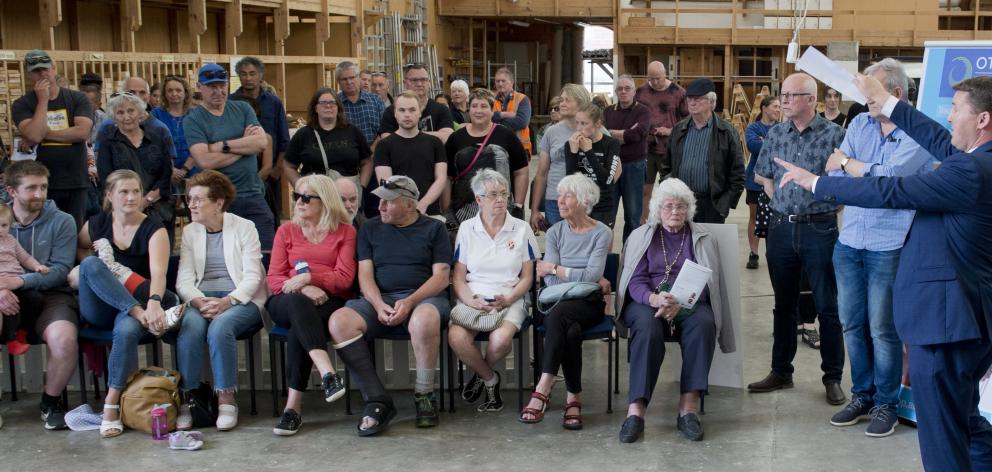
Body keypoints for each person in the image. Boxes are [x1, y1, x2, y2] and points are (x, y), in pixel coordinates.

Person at [777, 72, 992, 472]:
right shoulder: (979, 160)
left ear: (982, 120)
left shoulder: (971, 172)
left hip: (946, 325)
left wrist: (818, 183)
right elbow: (939, 140)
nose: (947, 116)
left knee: (943, 436)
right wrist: (888, 103)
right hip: (967, 322)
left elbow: (891, 192)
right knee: (962, 418)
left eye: (956, 109)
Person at [814, 58, 933, 439]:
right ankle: (862, 395)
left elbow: (890, 183)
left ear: (895, 93)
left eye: (872, 89)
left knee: (883, 330)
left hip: (889, 244)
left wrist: (849, 163)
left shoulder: (918, 134)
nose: (864, 96)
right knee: (852, 324)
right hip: (849, 241)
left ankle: (887, 402)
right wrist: (854, 168)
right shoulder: (860, 124)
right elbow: (833, 175)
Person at [748, 73, 847, 406]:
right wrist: (785, 206)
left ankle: (832, 377)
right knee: (783, 305)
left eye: (792, 95)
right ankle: (781, 371)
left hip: (820, 228)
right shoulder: (775, 134)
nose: (785, 99)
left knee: (827, 306)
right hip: (780, 229)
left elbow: (845, 185)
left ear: (810, 99)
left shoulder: (836, 135)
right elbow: (764, 178)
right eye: (783, 94)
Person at [614, 178, 736, 443]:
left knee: (704, 324)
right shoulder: (641, 236)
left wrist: (683, 302)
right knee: (646, 328)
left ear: (689, 209)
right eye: (668, 206)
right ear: (658, 209)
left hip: (689, 301)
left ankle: (688, 410)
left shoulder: (702, 238)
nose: (675, 212)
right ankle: (636, 412)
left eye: (681, 206)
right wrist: (654, 299)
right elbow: (633, 280)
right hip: (648, 301)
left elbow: (710, 282)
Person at [328, 175, 452, 436]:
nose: (380, 207)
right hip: (378, 298)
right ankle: (376, 399)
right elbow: (365, 275)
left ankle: (424, 394)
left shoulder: (434, 228)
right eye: (379, 202)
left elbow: (441, 277)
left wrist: (409, 301)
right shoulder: (370, 228)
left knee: (424, 319)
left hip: (423, 298)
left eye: (388, 202)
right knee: (339, 322)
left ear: (409, 204)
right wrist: (378, 303)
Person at [75, 170, 182, 438]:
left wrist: (155, 303)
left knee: (124, 331)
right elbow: (81, 248)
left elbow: (158, 274)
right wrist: (92, 272)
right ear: (109, 195)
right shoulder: (96, 224)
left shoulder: (153, 227)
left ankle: (111, 404)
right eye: (124, 192)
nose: (132, 197)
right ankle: (137, 313)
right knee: (90, 264)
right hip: (104, 306)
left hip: (141, 300)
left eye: (136, 191)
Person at [173, 170, 267, 431]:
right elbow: (184, 280)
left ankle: (226, 398)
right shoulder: (191, 232)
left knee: (220, 327)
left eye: (197, 199)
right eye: (189, 198)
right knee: (190, 327)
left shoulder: (244, 227)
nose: (190, 204)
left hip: (240, 299)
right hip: (202, 299)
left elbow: (253, 277)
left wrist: (227, 301)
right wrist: (198, 301)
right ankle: (189, 399)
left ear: (218, 202)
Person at [520, 174, 612, 430]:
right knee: (568, 328)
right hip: (557, 302)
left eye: (567, 196)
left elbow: (592, 276)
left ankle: (543, 387)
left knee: (561, 316)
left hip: (590, 305)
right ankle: (573, 398)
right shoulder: (555, 232)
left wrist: (557, 269)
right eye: (559, 195)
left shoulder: (602, 233)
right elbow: (551, 283)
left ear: (584, 201)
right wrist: (577, 278)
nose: (559, 201)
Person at [267, 174, 356, 436]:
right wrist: (304, 286)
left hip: (328, 300)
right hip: (286, 298)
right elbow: (274, 278)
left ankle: (292, 410)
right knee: (297, 303)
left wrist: (309, 276)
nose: (300, 202)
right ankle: (327, 371)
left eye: (307, 197)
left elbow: (344, 279)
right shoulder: (286, 230)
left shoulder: (345, 231)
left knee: (299, 328)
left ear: (325, 201)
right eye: (297, 196)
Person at [449, 169, 537, 412]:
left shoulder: (521, 228)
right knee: (456, 338)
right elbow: (457, 277)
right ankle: (489, 378)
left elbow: (527, 276)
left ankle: (479, 374)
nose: (500, 199)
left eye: (503, 194)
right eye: (493, 195)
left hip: (510, 296)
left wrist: (509, 298)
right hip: (474, 296)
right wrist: (471, 299)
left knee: (499, 340)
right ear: (479, 200)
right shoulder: (467, 229)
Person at [0, 161, 79, 430]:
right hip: (3, 293)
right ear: (11, 190)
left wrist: (18, 281)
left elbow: (59, 271)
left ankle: (50, 402)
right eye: (31, 188)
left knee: (64, 338)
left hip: (50, 294)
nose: (39, 194)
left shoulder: (62, 221)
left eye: (43, 187)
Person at [185, 63, 275, 250]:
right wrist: (244, 146)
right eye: (211, 87)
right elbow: (205, 161)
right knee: (226, 255)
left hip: (253, 193)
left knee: (265, 252)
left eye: (222, 85)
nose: (218, 91)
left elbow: (261, 143)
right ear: (199, 87)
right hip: (217, 200)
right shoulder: (193, 120)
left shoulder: (243, 109)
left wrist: (222, 146)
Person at [11, 50, 94, 230]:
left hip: (75, 180)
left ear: (54, 68)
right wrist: (43, 100)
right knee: (43, 231)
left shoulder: (77, 98)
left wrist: (43, 134)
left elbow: (82, 132)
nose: (42, 74)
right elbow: (33, 135)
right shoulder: (22, 104)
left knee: (74, 231)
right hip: (40, 184)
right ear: (29, 74)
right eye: (36, 71)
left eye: (45, 69)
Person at [96, 92, 176, 246]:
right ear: (114, 116)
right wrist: (131, 201)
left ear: (139, 112)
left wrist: (146, 200)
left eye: (131, 110)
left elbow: (167, 174)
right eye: (120, 112)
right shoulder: (108, 143)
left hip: (159, 206)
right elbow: (107, 178)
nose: (126, 116)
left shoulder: (157, 138)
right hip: (122, 210)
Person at [662, 78, 745, 224]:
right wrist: (669, 190)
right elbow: (666, 166)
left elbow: (737, 173)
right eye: (689, 99)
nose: (692, 103)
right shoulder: (679, 129)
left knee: (708, 246)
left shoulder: (726, 131)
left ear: (711, 102)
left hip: (712, 204)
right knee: (682, 245)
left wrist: (724, 203)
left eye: (698, 99)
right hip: (681, 202)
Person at [444, 89, 529, 223]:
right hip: (462, 214)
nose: (478, 111)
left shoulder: (507, 136)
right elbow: (447, 177)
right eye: (474, 106)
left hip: (501, 212)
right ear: (469, 109)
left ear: (492, 110)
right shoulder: (455, 139)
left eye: (484, 106)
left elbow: (521, 172)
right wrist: (447, 209)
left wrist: (518, 206)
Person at [231, 57, 290, 223]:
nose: (248, 78)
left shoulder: (274, 102)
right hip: (237, 171)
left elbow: (284, 138)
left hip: (269, 170)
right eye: (243, 74)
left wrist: (277, 170)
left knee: (270, 218)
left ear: (260, 75)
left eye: (252, 73)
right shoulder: (230, 102)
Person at [283, 89, 372, 194]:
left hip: (347, 197)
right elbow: (288, 165)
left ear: (338, 107)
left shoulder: (352, 131)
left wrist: (361, 186)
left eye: (332, 102)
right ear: (315, 108)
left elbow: (367, 162)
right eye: (323, 103)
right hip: (316, 195)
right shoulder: (303, 135)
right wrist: (301, 188)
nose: (328, 106)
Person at [530, 84, 593, 231]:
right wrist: (534, 209)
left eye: (567, 100)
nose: (561, 104)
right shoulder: (551, 132)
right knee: (557, 248)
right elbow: (541, 173)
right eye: (561, 100)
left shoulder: (595, 130)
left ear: (581, 103)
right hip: (555, 200)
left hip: (586, 200)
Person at [374, 92, 447, 216]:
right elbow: (385, 182)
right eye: (402, 110)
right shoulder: (384, 145)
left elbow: (441, 178)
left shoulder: (435, 143)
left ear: (420, 113)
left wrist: (423, 205)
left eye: (412, 110)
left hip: (429, 212)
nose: (407, 115)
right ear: (395, 114)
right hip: (398, 214)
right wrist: (408, 208)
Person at [636, 61, 688, 225]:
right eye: (651, 79)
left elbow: (688, 122)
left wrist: (670, 131)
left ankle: (667, 224)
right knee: (645, 190)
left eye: (658, 78)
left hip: (670, 149)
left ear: (666, 74)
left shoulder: (679, 93)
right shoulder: (641, 92)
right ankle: (644, 224)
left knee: (669, 192)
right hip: (646, 148)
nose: (655, 82)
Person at [604, 74, 651, 241]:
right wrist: (624, 135)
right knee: (607, 214)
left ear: (634, 91)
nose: (623, 91)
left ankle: (630, 255)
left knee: (632, 215)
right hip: (611, 166)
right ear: (616, 91)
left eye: (627, 88)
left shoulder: (643, 111)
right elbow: (603, 138)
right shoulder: (608, 111)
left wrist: (614, 134)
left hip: (634, 167)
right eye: (620, 89)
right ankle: (605, 256)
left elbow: (637, 135)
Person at [0, 201, 49, 356]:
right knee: (10, 308)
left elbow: (25, 258)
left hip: (19, 281)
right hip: (3, 285)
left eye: (4, 225)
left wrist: (36, 267)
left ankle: (25, 331)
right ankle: (11, 339)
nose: (0, 230)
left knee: (36, 299)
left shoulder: (11, 241)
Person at [566, 103, 622, 228]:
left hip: (603, 206)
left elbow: (608, 180)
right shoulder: (571, 144)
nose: (579, 128)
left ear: (598, 123)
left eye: (584, 123)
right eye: (577, 123)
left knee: (602, 245)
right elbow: (570, 181)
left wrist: (588, 152)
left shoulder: (611, 144)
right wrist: (573, 153)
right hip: (580, 204)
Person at [744, 95, 781, 269]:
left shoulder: (782, 128)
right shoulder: (753, 127)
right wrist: (773, 145)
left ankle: (772, 252)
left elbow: (782, 148)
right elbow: (754, 147)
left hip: (776, 180)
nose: (778, 110)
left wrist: (765, 142)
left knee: (775, 218)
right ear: (764, 108)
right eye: (775, 106)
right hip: (754, 180)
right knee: (754, 217)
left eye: (779, 107)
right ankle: (754, 253)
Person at [378, 63, 454, 143]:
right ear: (405, 83)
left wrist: (411, 135)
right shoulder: (392, 111)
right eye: (414, 80)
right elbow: (386, 140)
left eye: (423, 80)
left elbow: (447, 137)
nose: (419, 84)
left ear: (429, 82)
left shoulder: (441, 110)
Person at [151, 75, 198, 184]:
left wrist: (185, 169)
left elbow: (201, 143)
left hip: (193, 171)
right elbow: (154, 145)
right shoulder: (156, 115)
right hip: (164, 171)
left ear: (185, 92)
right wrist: (171, 169)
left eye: (178, 90)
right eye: (170, 90)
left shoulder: (195, 115)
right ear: (164, 94)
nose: (174, 94)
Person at [336, 61, 386, 148]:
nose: (349, 82)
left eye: (352, 77)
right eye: (344, 79)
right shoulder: (334, 104)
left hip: (375, 157)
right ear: (338, 82)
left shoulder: (376, 100)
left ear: (359, 78)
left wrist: (371, 153)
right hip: (345, 158)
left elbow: (385, 129)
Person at [491, 67, 533, 159]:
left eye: (503, 81)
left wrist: (496, 121)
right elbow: (485, 118)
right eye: (497, 81)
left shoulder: (522, 99)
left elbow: (522, 122)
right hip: (496, 148)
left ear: (511, 82)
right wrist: (503, 114)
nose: (500, 84)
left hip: (520, 148)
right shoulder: (490, 99)